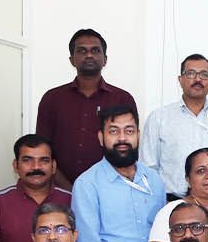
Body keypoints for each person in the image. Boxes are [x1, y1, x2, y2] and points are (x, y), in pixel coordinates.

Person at [70, 105, 166, 242]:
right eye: (113, 131)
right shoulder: (87, 184)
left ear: (138, 135)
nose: (122, 138)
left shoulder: (154, 180)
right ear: (101, 137)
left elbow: (163, 235)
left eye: (129, 131)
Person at [35, 29, 137, 186]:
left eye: (95, 50)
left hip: (109, 187)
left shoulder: (122, 99)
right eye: (82, 51)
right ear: (72, 60)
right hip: (59, 188)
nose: (89, 55)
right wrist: (67, 189)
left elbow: (129, 149)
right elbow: (42, 150)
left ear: (105, 59)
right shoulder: (52, 99)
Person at [139, 54, 208, 203]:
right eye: (190, 73)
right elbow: (148, 167)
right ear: (180, 79)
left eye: (204, 74)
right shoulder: (159, 118)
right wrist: (160, 204)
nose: (197, 79)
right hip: (170, 203)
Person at [0, 134, 72, 242]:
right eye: (27, 160)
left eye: (44, 160)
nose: (36, 167)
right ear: (16, 165)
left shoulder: (72, 201)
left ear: (54, 166)